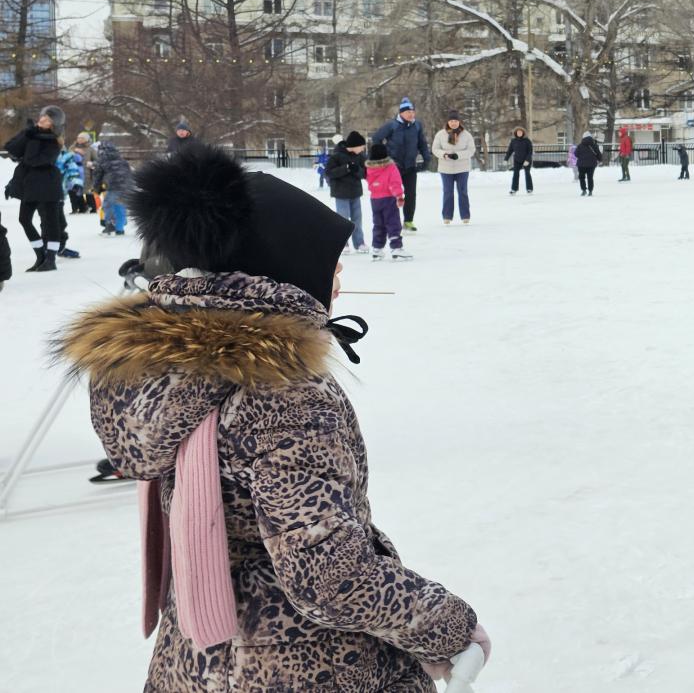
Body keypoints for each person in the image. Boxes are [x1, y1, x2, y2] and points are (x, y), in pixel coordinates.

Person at [52, 143, 487, 688]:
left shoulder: (166, 371)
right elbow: (329, 572)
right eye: (331, 263)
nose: (340, 279)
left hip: (198, 662)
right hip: (304, 666)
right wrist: (447, 628)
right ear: (287, 268)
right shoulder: (280, 392)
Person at [5, 106, 71, 272]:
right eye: (42, 117)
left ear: (53, 124)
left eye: (47, 119)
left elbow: (33, 159)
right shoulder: (32, 134)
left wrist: (32, 139)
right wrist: (26, 134)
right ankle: (40, 256)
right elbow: (11, 148)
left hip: (47, 184)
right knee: (24, 219)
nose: (42, 120)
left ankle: (51, 258)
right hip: (29, 185)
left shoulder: (54, 141)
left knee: (51, 223)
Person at [370, 97, 434, 231]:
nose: (411, 114)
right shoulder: (392, 125)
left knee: (411, 194)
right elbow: (376, 138)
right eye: (408, 112)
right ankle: (391, 221)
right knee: (393, 194)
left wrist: (427, 158)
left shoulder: (417, 125)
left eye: (413, 111)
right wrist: (383, 156)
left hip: (410, 166)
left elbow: (422, 143)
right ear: (401, 113)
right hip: (394, 167)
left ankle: (408, 221)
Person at [323, 131, 368, 254]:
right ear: (355, 146)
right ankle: (344, 244)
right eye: (362, 146)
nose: (363, 149)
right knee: (343, 220)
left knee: (357, 220)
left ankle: (359, 243)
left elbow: (365, 173)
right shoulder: (337, 156)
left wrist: (356, 169)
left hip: (355, 193)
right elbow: (329, 172)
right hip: (341, 193)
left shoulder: (360, 156)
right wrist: (346, 168)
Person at [365, 142, 411, 261]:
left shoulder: (369, 168)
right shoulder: (390, 167)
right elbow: (395, 183)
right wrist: (399, 196)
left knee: (378, 224)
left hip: (375, 200)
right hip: (388, 199)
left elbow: (369, 182)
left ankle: (377, 248)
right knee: (393, 222)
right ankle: (396, 247)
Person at [433, 113, 474, 224]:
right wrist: (444, 154)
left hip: (462, 168)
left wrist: (458, 155)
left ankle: (465, 216)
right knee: (448, 192)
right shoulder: (440, 134)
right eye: (451, 121)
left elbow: (471, 150)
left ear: (459, 122)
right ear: (448, 122)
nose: (453, 123)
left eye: (455, 121)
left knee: (462, 192)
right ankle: (447, 216)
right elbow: (435, 149)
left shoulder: (466, 135)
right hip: (445, 168)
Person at [92, 141, 135, 236]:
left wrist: (96, 188)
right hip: (127, 186)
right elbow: (129, 173)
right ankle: (119, 228)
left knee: (108, 205)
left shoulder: (102, 160)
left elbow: (97, 176)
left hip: (114, 186)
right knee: (120, 205)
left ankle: (110, 224)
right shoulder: (121, 159)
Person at [59, 141, 90, 214]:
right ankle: (82, 207)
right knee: (77, 192)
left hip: (72, 177)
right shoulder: (74, 156)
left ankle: (77, 208)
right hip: (75, 176)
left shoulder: (69, 157)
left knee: (73, 193)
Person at [505, 127, 534, 196]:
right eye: (518, 132)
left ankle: (529, 189)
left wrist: (527, 160)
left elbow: (530, 151)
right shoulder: (513, 141)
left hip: (526, 160)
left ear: (523, 133)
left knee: (527, 173)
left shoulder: (527, 141)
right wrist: (506, 159)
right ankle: (514, 189)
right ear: (516, 133)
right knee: (515, 174)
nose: (519, 133)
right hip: (517, 160)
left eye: (520, 132)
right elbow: (509, 151)